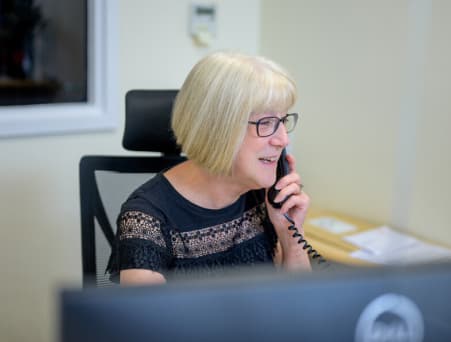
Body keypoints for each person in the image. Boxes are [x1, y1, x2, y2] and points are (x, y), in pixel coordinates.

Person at [107, 51, 312, 285]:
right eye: (266, 123)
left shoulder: (263, 196)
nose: (283, 140)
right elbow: (149, 321)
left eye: (283, 121)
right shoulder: (145, 219)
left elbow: (296, 308)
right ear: (218, 129)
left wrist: (291, 233)